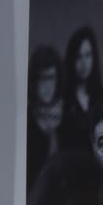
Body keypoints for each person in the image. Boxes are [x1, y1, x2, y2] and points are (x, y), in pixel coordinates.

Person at [58, 26, 103, 152]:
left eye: (88, 55)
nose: (84, 63)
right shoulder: (63, 98)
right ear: (72, 60)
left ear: (94, 58)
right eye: (79, 57)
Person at [26, 45, 63, 190]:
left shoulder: (66, 116)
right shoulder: (27, 119)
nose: (48, 85)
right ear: (34, 81)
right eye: (43, 79)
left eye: (51, 78)